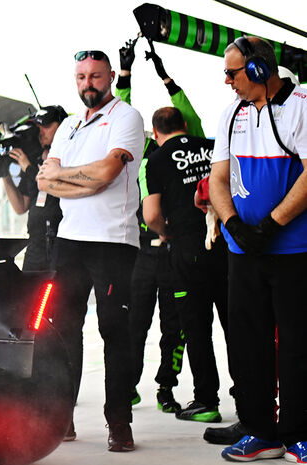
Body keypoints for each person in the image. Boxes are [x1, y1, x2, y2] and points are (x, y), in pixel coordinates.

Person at [37, 49, 146, 452]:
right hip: (70, 241)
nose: (88, 84)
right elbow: (46, 182)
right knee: (63, 333)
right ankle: (62, 417)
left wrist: (70, 177)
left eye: (96, 76)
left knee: (114, 333)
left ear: (111, 76)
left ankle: (119, 422)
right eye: (81, 77)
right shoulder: (68, 124)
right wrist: (80, 179)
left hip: (113, 242)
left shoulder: (125, 117)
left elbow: (107, 173)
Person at [208, 36, 307, 465]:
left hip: (294, 250)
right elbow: (218, 177)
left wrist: (271, 225)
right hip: (242, 252)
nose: (226, 81)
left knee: (298, 345)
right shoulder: (233, 112)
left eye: (232, 72)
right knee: (248, 344)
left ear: (259, 71)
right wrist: (233, 224)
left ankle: (300, 433)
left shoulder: (302, 105)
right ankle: (259, 431)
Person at [116, 38, 207, 417]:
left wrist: (139, 74)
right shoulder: (138, 150)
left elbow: (189, 119)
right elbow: (122, 115)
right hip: (142, 251)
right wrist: (139, 73)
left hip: (171, 251)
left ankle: (165, 389)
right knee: (135, 324)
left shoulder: (186, 146)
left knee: (174, 328)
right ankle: (127, 386)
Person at [143, 107, 230, 426]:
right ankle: (249, 396)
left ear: (155, 133)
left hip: (187, 249)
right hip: (225, 242)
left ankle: (207, 401)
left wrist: (166, 232)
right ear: (184, 125)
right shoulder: (210, 147)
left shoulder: (157, 159)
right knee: (236, 323)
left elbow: (151, 214)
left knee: (196, 327)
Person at [1, 105, 67, 272]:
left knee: (58, 298)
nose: (41, 132)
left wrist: (29, 168)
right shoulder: (33, 160)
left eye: (46, 126)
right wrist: (5, 175)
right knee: (26, 297)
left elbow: (57, 188)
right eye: (38, 127)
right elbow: (20, 206)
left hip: (60, 246)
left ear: (63, 127)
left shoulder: (69, 159)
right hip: (35, 246)